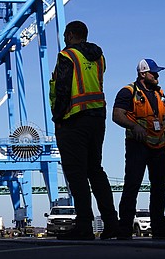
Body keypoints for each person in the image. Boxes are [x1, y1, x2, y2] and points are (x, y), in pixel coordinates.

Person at [49, 20, 119, 240]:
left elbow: (62, 89)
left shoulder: (67, 56)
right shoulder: (99, 57)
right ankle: (111, 223)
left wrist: (57, 118)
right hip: (97, 118)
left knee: (76, 173)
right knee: (95, 170)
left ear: (70, 35)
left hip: (73, 120)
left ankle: (84, 227)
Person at [112, 58, 165, 240]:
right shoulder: (128, 92)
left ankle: (159, 228)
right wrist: (134, 126)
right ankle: (124, 228)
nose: (157, 76)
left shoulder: (160, 93)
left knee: (159, 187)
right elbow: (116, 115)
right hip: (137, 145)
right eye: (153, 72)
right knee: (132, 185)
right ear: (142, 74)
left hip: (159, 146)